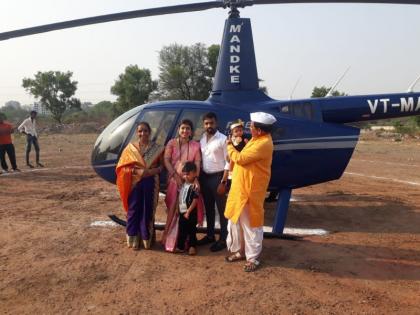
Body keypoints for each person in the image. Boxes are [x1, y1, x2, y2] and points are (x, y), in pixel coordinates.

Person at [224, 111, 276, 272]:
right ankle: (240, 251)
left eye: (252, 126)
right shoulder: (256, 139)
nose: (249, 128)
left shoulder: (263, 143)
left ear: (259, 130)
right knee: (236, 222)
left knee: (251, 226)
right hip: (240, 189)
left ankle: (253, 258)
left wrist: (229, 146)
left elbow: (240, 158)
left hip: (250, 192)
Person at [116, 122, 164, 250]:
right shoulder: (130, 148)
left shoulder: (157, 148)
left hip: (151, 182)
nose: (143, 133)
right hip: (134, 182)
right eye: (140, 131)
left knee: (147, 210)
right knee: (134, 210)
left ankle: (146, 240)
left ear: (150, 132)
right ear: (137, 133)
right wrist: (137, 172)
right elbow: (122, 167)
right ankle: (132, 240)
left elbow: (161, 166)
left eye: (145, 131)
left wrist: (151, 172)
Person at [162, 119, 202, 252]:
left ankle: (186, 241)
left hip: (188, 182)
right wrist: (174, 175)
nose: (185, 131)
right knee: (173, 210)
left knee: (187, 212)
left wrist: (195, 179)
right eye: (183, 128)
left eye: (188, 129)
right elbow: (166, 160)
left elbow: (197, 163)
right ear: (179, 129)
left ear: (191, 131)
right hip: (174, 181)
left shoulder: (195, 145)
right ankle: (169, 238)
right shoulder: (171, 143)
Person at [197, 112, 230, 252]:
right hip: (205, 177)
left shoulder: (223, 139)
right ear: (203, 125)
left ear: (216, 123)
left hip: (218, 178)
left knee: (222, 210)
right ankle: (210, 235)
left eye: (211, 123)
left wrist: (223, 182)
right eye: (206, 123)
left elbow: (229, 162)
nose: (209, 126)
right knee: (209, 208)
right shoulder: (202, 139)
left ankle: (223, 239)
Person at [176, 161, 200, 256]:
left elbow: (195, 200)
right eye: (184, 174)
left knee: (192, 230)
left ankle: (192, 247)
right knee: (182, 229)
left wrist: (189, 211)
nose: (185, 176)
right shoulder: (183, 184)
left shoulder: (195, 187)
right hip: (182, 211)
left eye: (188, 174)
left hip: (191, 212)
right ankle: (181, 247)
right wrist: (178, 209)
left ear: (194, 173)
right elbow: (180, 197)